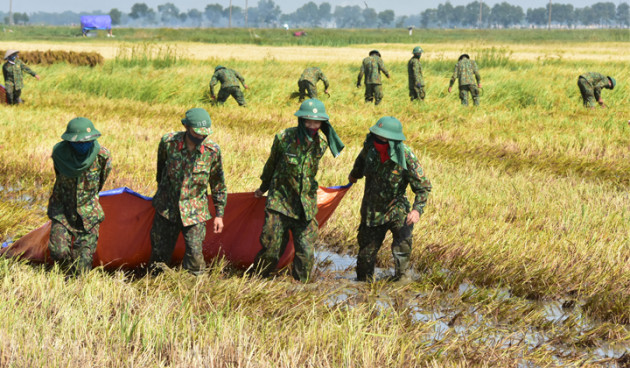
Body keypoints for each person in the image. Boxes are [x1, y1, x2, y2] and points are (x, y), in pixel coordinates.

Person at [252, 99, 345, 282]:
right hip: (280, 202)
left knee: (306, 251)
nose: (312, 125)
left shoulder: (321, 145)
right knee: (271, 248)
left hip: (305, 206)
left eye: (316, 122)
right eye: (308, 121)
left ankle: (301, 288)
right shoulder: (284, 138)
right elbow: (271, 165)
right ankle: (259, 281)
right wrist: (263, 187)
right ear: (301, 120)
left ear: (322, 123)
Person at [348, 117, 432, 282]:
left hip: (396, 208)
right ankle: (364, 290)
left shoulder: (406, 156)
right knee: (364, 265)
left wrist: (416, 210)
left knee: (403, 243)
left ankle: (401, 280)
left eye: (385, 139)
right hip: (372, 212)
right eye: (378, 137)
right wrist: (354, 175)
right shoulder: (370, 148)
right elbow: (360, 163)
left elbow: (423, 187)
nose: (380, 142)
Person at [149, 108, 227, 275]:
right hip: (167, 209)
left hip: (195, 211)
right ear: (186, 127)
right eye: (196, 133)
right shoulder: (168, 143)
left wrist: (219, 214)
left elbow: (218, 184)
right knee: (159, 255)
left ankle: (195, 292)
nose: (200, 137)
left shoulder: (212, 152)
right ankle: (155, 287)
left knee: (195, 257)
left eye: (204, 134)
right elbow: (160, 170)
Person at [47, 117, 112, 273]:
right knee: (58, 252)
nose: (83, 145)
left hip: (88, 214)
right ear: (70, 141)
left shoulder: (102, 156)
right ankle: (64, 274)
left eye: (86, 142)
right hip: (63, 211)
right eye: (78, 142)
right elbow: (58, 175)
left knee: (82, 266)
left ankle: (76, 284)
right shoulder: (60, 154)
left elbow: (101, 181)